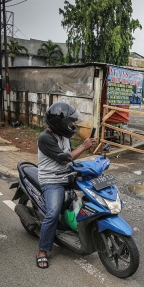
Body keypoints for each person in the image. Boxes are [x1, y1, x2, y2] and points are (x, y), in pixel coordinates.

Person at [36, 102, 97, 269]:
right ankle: (42, 250)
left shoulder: (63, 136)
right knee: (53, 213)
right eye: (70, 122)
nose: (72, 125)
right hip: (52, 180)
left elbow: (70, 155)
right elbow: (64, 158)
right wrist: (84, 147)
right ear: (60, 123)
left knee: (93, 194)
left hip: (67, 176)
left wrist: (85, 149)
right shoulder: (45, 138)